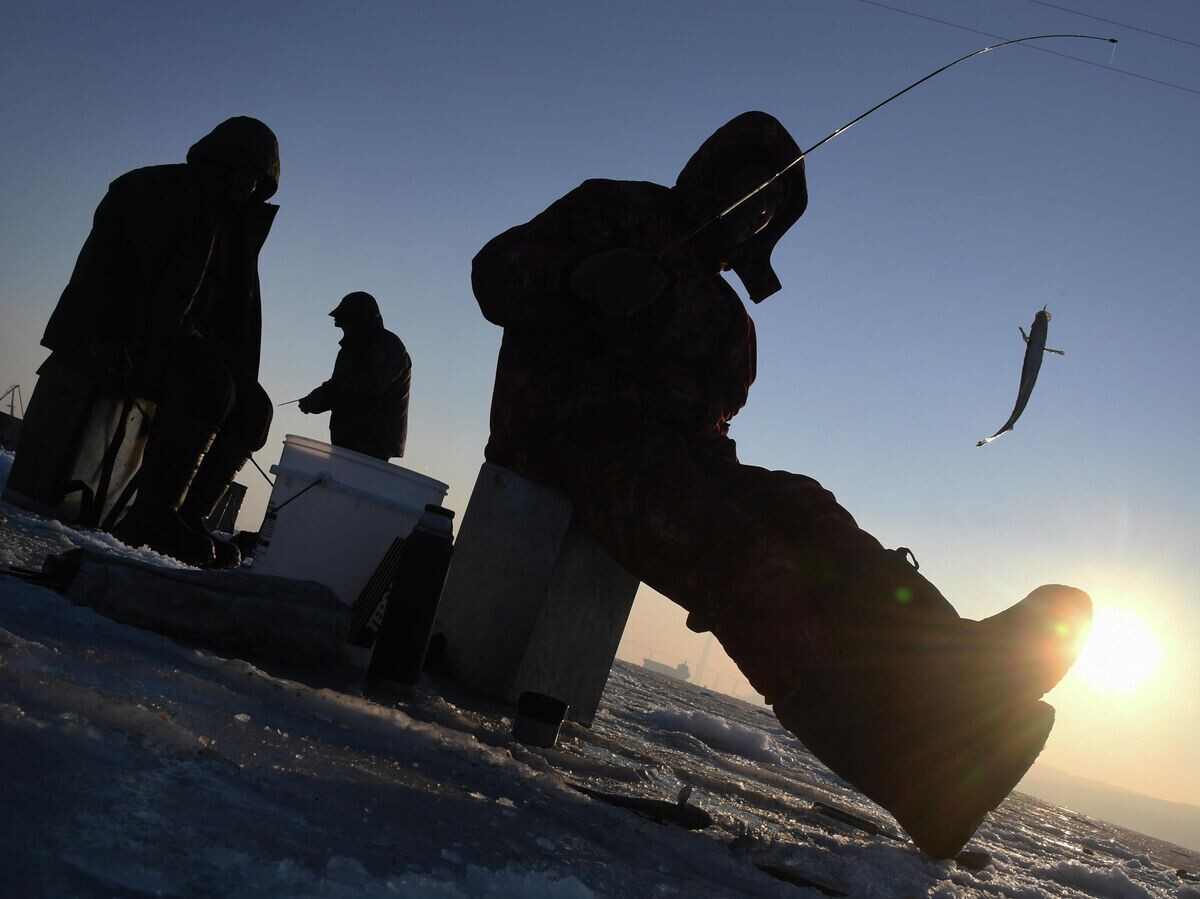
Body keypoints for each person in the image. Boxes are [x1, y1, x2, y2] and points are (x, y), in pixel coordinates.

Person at [471, 111, 1092, 858]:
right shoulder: (615, 209)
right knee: (739, 550)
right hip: (564, 443)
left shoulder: (732, 317)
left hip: (678, 460)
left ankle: (957, 669)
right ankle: (905, 774)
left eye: (771, 206)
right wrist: (580, 277)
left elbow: (713, 424)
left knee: (805, 508)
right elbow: (494, 271)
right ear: (712, 170)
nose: (754, 208)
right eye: (747, 186)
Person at [40, 116, 281, 568]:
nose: (251, 188)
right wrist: (111, 342)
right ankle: (152, 516)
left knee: (254, 409)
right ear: (222, 164)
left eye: (259, 182)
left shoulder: (234, 228)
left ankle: (186, 515)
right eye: (247, 175)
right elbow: (110, 275)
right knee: (211, 386)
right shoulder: (154, 190)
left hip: (180, 341)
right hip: (123, 336)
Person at [298, 292, 411, 461]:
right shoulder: (348, 350)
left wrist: (324, 394)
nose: (341, 327)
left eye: (344, 322)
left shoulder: (388, 346)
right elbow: (340, 387)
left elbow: (368, 386)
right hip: (345, 442)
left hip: (372, 446)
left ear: (360, 321)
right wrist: (315, 401)